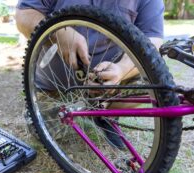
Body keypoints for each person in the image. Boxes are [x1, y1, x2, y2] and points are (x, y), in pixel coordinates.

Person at [16, 0, 165, 149]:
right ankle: (84, 108)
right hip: (53, 89)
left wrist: (121, 69)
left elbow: (152, 41)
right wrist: (58, 32)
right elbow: (24, 14)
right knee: (43, 132)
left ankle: (105, 113)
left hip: (109, 84)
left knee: (154, 82)